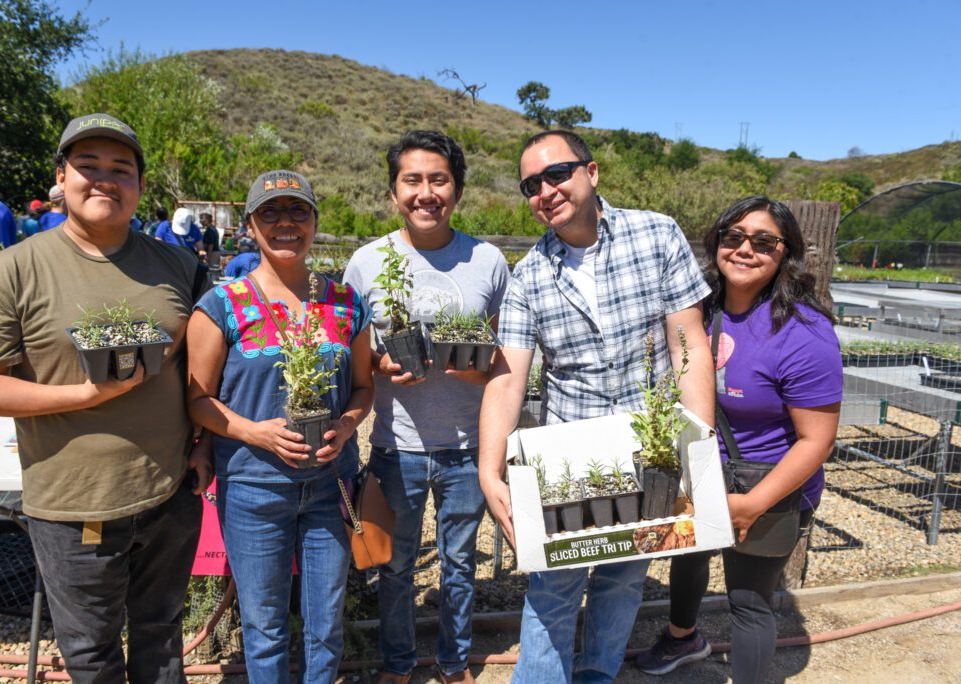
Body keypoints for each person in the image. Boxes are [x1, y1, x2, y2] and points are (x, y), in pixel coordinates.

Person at [0, 112, 211, 683]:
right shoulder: (14, 270)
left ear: (140, 186)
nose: (104, 180)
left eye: (121, 169)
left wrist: (204, 444)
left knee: (161, 634)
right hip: (74, 506)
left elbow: (202, 368)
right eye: (87, 166)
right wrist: (88, 392)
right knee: (92, 654)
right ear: (60, 178)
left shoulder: (178, 267)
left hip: (170, 494)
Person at [477, 130, 715, 684]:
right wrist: (490, 469)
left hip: (649, 451)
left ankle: (595, 676)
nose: (545, 190)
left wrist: (696, 441)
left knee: (623, 580)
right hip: (571, 456)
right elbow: (508, 379)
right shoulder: (530, 273)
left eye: (556, 173)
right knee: (552, 591)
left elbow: (689, 345)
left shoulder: (656, 235)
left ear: (592, 172)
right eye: (531, 184)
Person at [634, 196, 842, 681]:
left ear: (785, 253)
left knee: (748, 602)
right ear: (717, 245)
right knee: (688, 560)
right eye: (734, 237)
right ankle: (683, 639)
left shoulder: (804, 332)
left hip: (770, 486)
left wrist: (751, 505)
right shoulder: (700, 313)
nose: (746, 249)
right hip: (703, 471)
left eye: (764, 241)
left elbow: (817, 441)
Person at [187, 169, 374, 683]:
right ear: (249, 225)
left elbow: (363, 387)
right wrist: (255, 432)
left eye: (297, 211)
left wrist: (348, 422)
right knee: (265, 625)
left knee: (326, 622)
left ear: (314, 222)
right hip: (253, 488)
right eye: (269, 212)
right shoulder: (221, 305)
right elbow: (196, 399)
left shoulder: (345, 304)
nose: (285, 223)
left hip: (330, 486)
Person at [343, 130, 510, 684]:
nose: (425, 192)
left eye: (438, 179)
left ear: (457, 191)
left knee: (460, 567)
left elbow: (508, 355)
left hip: (468, 449)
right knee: (394, 568)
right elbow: (349, 355)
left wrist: (477, 367)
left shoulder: (487, 260)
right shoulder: (367, 263)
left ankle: (453, 662)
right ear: (394, 192)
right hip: (397, 448)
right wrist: (377, 366)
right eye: (412, 180)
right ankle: (396, 664)